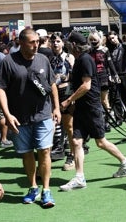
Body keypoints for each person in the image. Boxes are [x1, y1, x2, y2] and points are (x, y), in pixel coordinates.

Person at [59, 31, 126, 191]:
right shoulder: (81, 59)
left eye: (67, 43)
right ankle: (79, 178)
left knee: (101, 142)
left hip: (91, 108)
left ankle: (125, 162)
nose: (66, 46)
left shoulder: (85, 59)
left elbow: (86, 85)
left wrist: (68, 100)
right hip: (81, 108)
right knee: (76, 141)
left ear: (73, 44)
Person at [0, 28, 60, 208]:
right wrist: (7, 114)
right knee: (27, 154)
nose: (36, 45)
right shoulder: (9, 61)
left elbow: (52, 84)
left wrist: (56, 108)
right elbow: (0, 88)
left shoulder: (43, 59)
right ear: (21, 43)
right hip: (19, 118)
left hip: (43, 115)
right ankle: (33, 187)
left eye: (37, 42)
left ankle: (46, 190)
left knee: (45, 151)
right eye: (32, 42)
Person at [49, 32, 75, 169]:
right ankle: (54, 151)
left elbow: (73, 76)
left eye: (58, 41)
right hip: (54, 93)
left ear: (63, 43)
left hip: (67, 92)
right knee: (54, 124)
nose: (55, 43)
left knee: (69, 126)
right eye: (53, 41)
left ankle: (72, 155)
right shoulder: (50, 59)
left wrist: (64, 78)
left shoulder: (69, 57)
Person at [106, 30, 126, 119]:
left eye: (113, 38)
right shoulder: (108, 49)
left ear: (117, 36)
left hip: (125, 74)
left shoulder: (124, 47)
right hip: (114, 76)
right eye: (110, 39)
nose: (112, 40)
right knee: (115, 97)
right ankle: (118, 117)